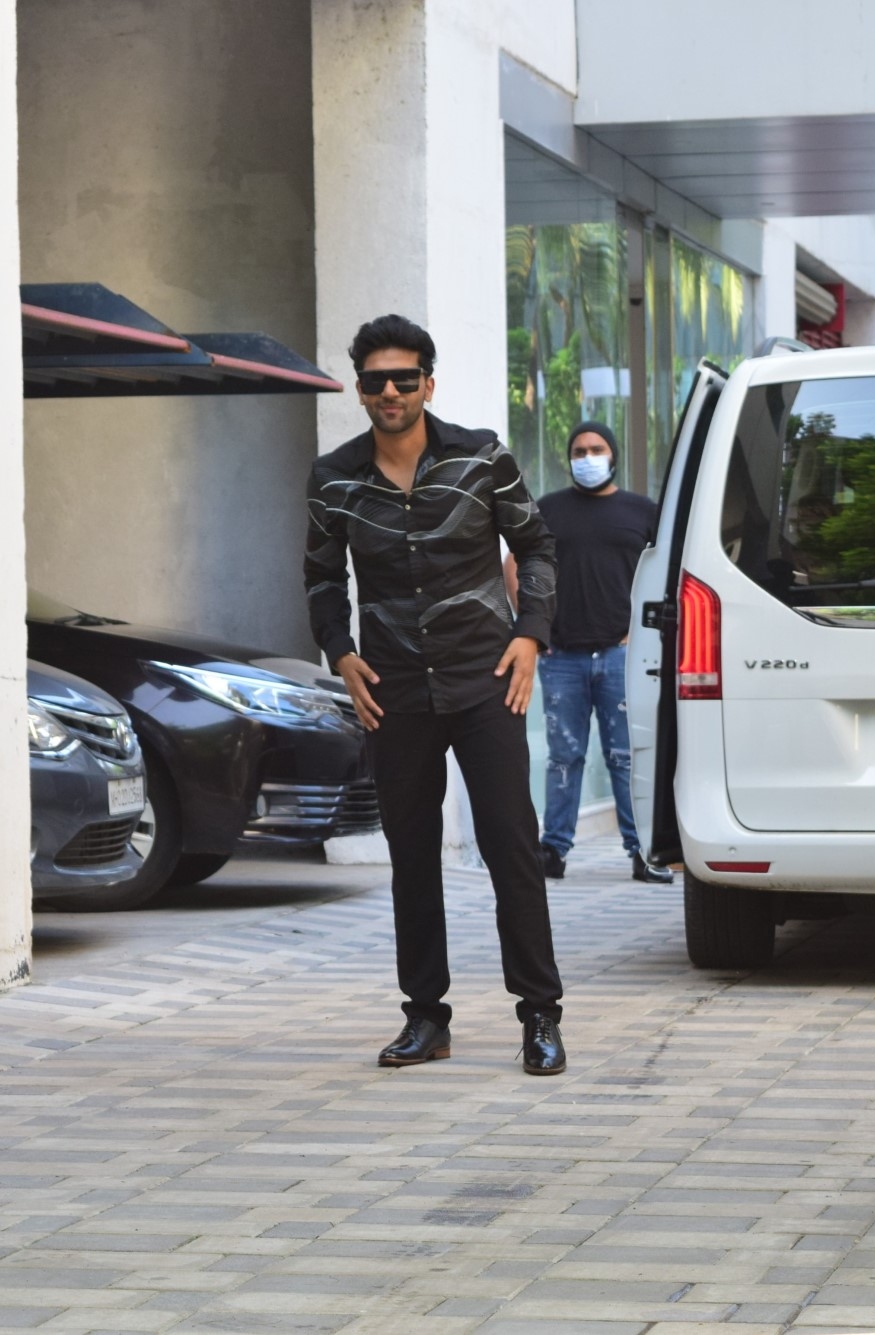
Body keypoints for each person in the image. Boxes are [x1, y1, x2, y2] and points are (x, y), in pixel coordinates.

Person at [304, 314, 568, 1076]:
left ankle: (540, 1015)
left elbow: (537, 545)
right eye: (376, 380)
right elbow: (321, 577)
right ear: (359, 390)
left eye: (405, 378)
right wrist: (341, 652)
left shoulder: (482, 456)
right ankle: (426, 1018)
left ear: (429, 383)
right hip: (392, 690)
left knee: (511, 847)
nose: (391, 390)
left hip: (486, 681)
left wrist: (530, 634)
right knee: (411, 854)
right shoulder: (334, 478)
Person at [516, 421, 671, 884]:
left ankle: (641, 852)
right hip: (561, 656)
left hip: (623, 656)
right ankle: (553, 852)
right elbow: (516, 562)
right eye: (579, 450)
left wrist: (645, 633)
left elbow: (669, 567)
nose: (587, 457)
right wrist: (532, 624)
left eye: (596, 449)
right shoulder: (549, 509)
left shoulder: (643, 511)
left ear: (613, 454)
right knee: (564, 756)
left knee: (627, 755)